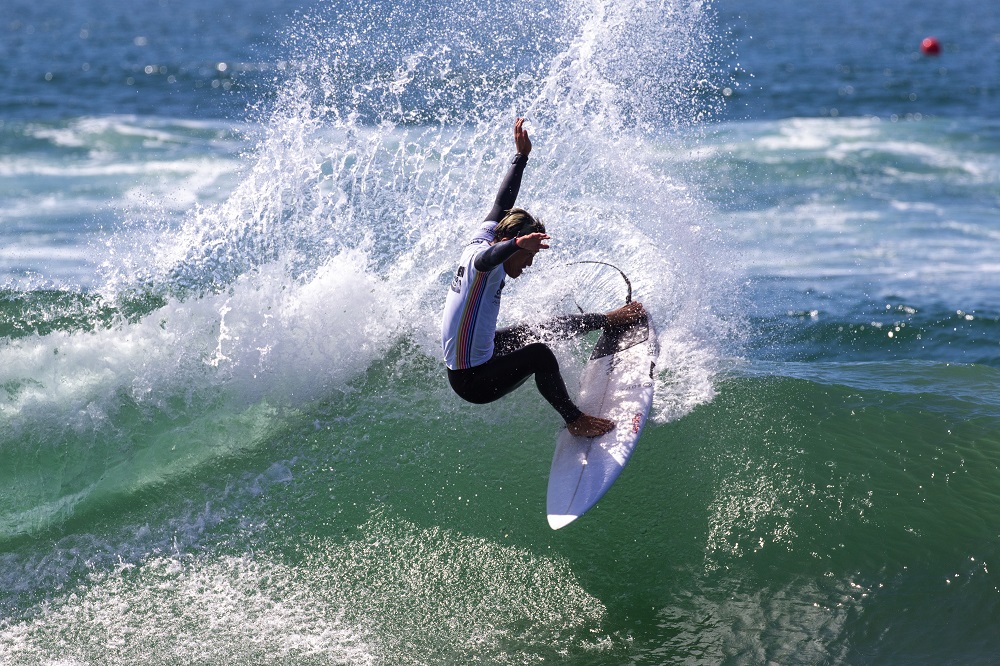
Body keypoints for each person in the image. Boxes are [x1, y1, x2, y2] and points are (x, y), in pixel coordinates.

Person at [441, 118, 645, 437]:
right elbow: (489, 258)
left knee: (540, 330)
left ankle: (609, 320)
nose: (529, 264)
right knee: (540, 354)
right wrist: (518, 245)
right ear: (510, 245)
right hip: (473, 381)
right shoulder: (485, 259)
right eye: (529, 256)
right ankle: (575, 420)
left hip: (482, 355)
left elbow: (500, 203)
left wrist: (520, 158)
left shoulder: (485, 236)